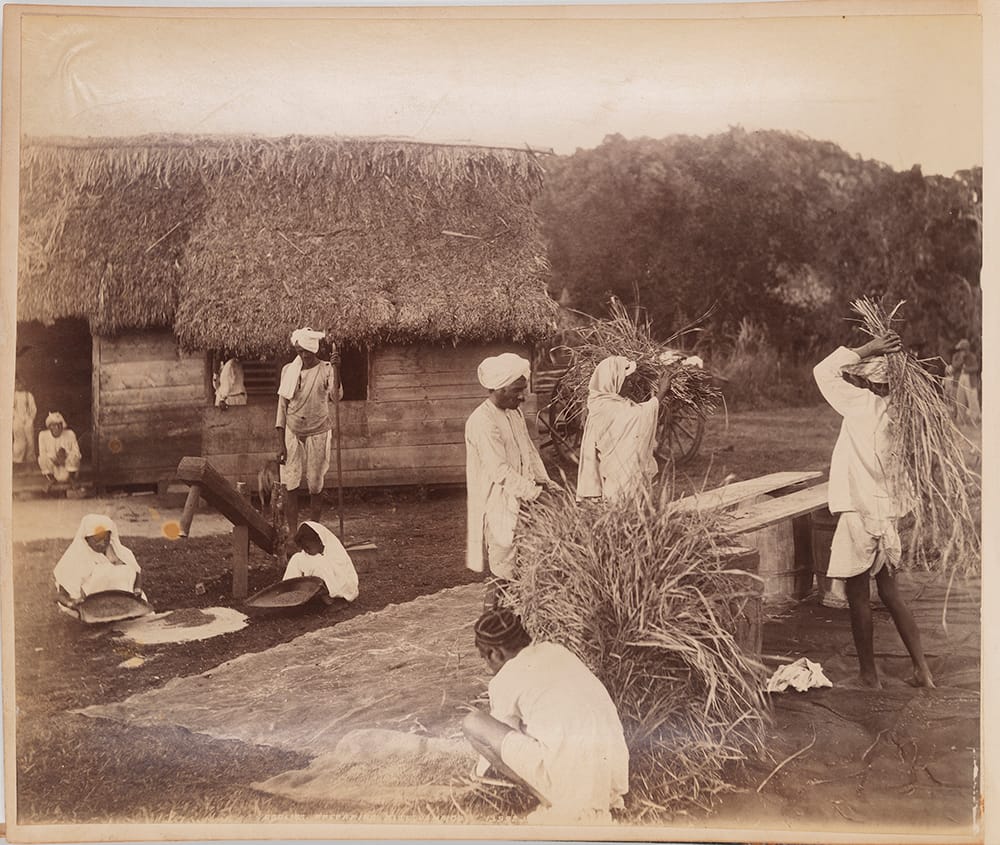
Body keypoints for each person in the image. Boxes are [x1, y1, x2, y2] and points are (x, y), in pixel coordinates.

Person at [813, 331, 935, 689]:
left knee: (857, 595)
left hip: (858, 513)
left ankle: (869, 676)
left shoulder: (860, 404)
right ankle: (922, 669)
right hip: (886, 516)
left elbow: (823, 371)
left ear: (869, 379)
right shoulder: (905, 416)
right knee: (891, 593)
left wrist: (867, 348)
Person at [462, 609, 630, 824]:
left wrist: (480, 775)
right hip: (614, 777)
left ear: (496, 653)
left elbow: (496, 743)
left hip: (571, 784)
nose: (489, 665)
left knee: (473, 722)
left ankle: (550, 798)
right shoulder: (557, 651)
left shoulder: (504, 678)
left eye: (486, 658)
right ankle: (587, 797)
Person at [465, 353, 554, 607]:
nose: (523, 396)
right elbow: (500, 471)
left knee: (526, 565)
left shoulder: (513, 414)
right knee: (502, 571)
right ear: (499, 388)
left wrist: (546, 483)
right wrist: (536, 493)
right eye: (517, 390)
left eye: (523, 390)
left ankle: (520, 618)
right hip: (499, 504)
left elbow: (529, 452)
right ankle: (491, 626)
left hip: (522, 500)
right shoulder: (482, 422)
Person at [576, 356, 673, 500]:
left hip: (611, 475)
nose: (631, 385)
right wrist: (661, 393)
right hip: (619, 480)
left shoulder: (600, 402)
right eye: (626, 381)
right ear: (613, 381)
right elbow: (639, 416)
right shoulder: (608, 407)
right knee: (621, 497)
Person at [275, 328, 342, 529]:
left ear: (315, 350)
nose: (303, 355)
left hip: (319, 431)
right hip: (292, 431)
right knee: (290, 482)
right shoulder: (288, 371)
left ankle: (314, 529)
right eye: (299, 351)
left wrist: (338, 369)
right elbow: (282, 406)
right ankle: (293, 532)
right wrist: (280, 442)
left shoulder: (327, 368)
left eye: (307, 351)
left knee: (315, 483)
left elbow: (336, 396)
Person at [53, 514, 146, 611]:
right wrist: (71, 603)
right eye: (97, 539)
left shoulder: (122, 553)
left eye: (106, 538)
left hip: (125, 600)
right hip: (89, 605)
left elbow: (137, 571)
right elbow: (60, 595)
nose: (102, 543)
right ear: (86, 538)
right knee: (104, 570)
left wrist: (137, 589)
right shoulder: (76, 557)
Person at [283, 520, 359, 605]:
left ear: (319, 541)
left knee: (319, 564)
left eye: (308, 547)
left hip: (341, 586)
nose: (306, 550)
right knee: (296, 558)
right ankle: (289, 595)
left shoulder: (335, 552)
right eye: (304, 548)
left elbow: (342, 579)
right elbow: (302, 561)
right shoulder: (307, 554)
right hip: (314, 586)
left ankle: (334, 601)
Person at [37, 412, 82, 489]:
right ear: (49, 426)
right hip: (53, 467)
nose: (57, 427)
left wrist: (64, 458)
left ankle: (72, 479)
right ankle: (51, 479)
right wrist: (55, 459)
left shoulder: (70, 434)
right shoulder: (43, 435)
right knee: (42, 458)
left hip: (68, 467)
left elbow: (76, 451)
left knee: (75, 455)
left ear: (63, 425)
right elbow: (42, 453)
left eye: (59, 425)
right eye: (53, 425)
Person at [949, 339, 980, 426]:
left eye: (963, 349)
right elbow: (954, 366)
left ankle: (974, 419)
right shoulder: (956, 356)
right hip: (959, 380)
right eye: (960, 350)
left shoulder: (972, 357)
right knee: (960, 399)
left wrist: (966, 370)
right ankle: (960, 419)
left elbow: (976, 368)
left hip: (970, 380)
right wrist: (961, 360)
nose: (962, 351)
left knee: (972, 399)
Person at [12, 376, 37, 465]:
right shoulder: (13, 395)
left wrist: (29, 419)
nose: (19, 385)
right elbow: (12, 409)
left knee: (30, 440)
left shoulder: (29, 395)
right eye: (17, 384)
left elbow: (33, 409)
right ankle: (17, 460)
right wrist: (18, 417)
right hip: (17, 420)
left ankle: (30, 460)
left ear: (24, 384)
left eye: (21, 383)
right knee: (19, 440)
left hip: (27, 420)